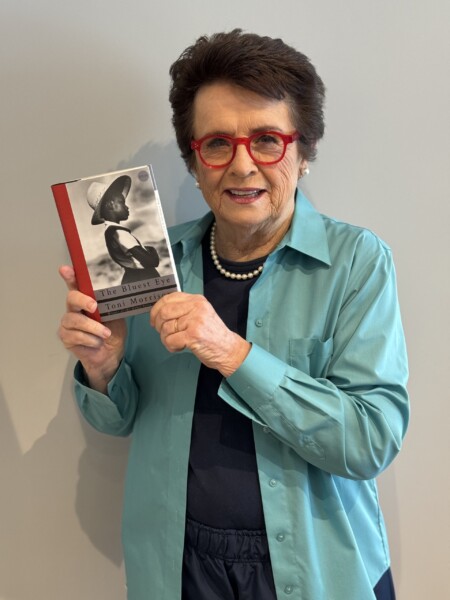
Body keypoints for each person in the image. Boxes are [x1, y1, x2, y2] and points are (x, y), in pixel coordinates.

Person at [58, 30, 409, 600]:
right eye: (217, 144)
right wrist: (103, 367)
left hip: (317, 574)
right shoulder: (149, 259)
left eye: (267, 140)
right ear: (194, 163)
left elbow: (370, 440)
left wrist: (233, 353)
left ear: (305, 150)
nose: (242, 165)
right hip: (178, 570)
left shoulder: (355, 262)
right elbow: (116, 423)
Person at [87, 174, 160, 284]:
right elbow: (151, 261)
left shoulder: (110, 231)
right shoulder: (119, 232)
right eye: (121, 202)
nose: (127, 207)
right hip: (144, 279)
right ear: (110, 205)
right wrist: (152, 250)